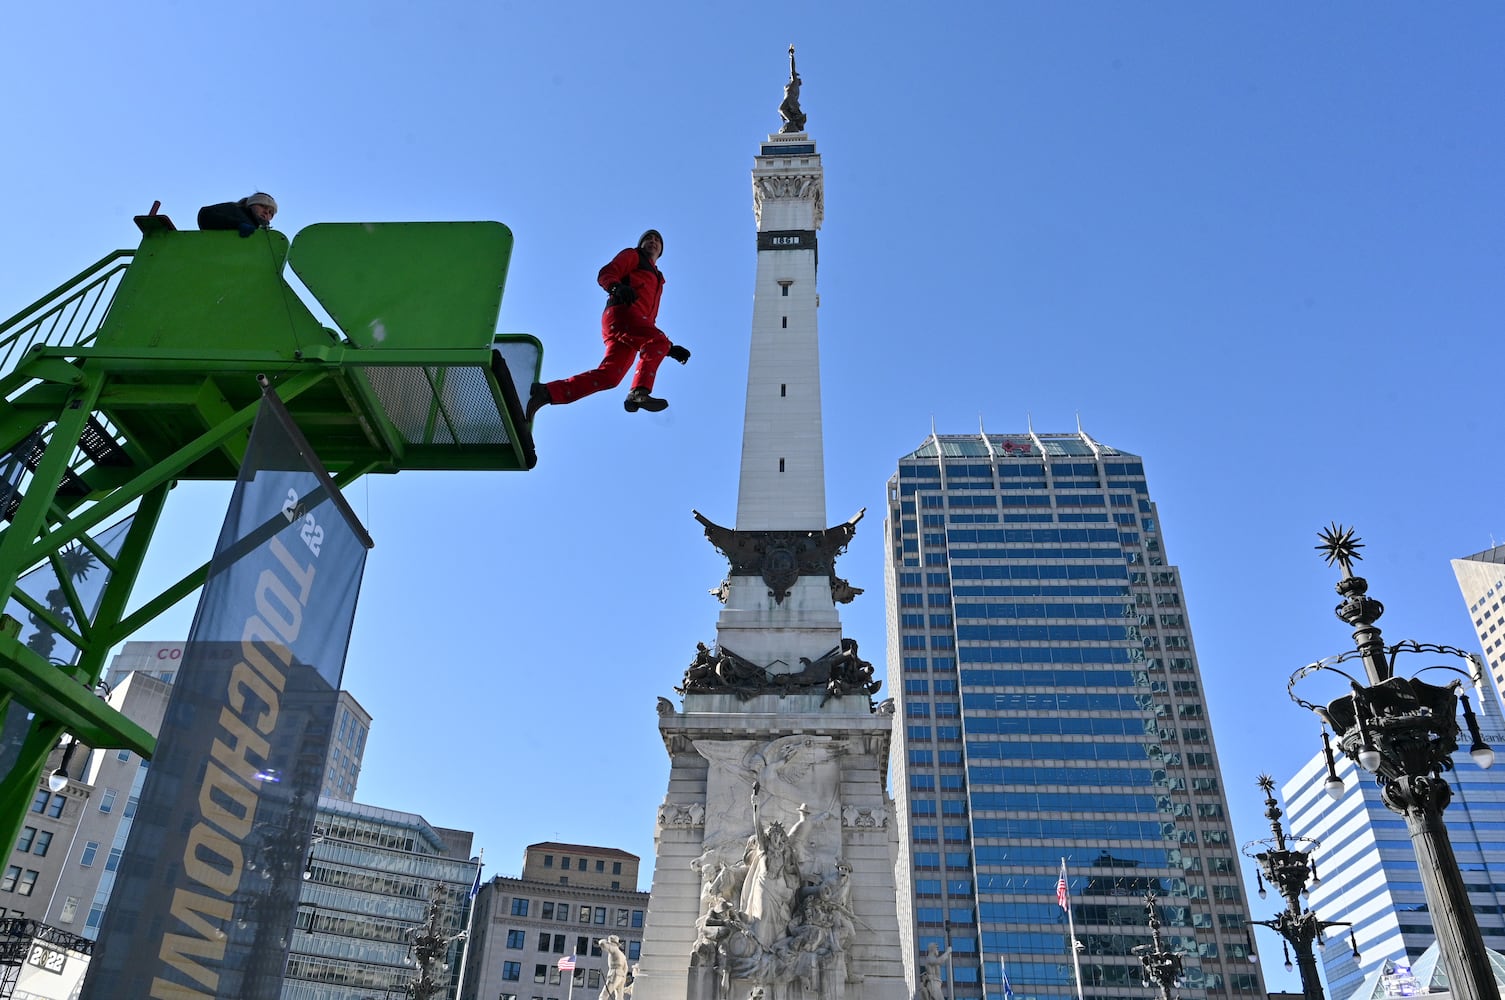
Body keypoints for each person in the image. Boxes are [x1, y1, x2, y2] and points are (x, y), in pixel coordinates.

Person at [526, 230, 690, 420]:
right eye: (648, 238)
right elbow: (607, 272)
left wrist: (667, 349)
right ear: (641, 244)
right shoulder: (633, 255)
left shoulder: (658, 279)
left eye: (657, 240)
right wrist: (616, 287)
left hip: (634, 326)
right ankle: (639, 392)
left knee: (610, 376)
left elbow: (649, 323)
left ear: (661, 251)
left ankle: (547, 392)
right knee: (658, 341)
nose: (653, 241)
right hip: (622, 313)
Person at [197, 193, 278, 237]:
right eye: (263, 206)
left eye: (271, 212)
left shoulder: (261, 235)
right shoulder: (234, 209)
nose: (266, 212)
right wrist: (237, 225)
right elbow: (205, 215)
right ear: (251, 204)